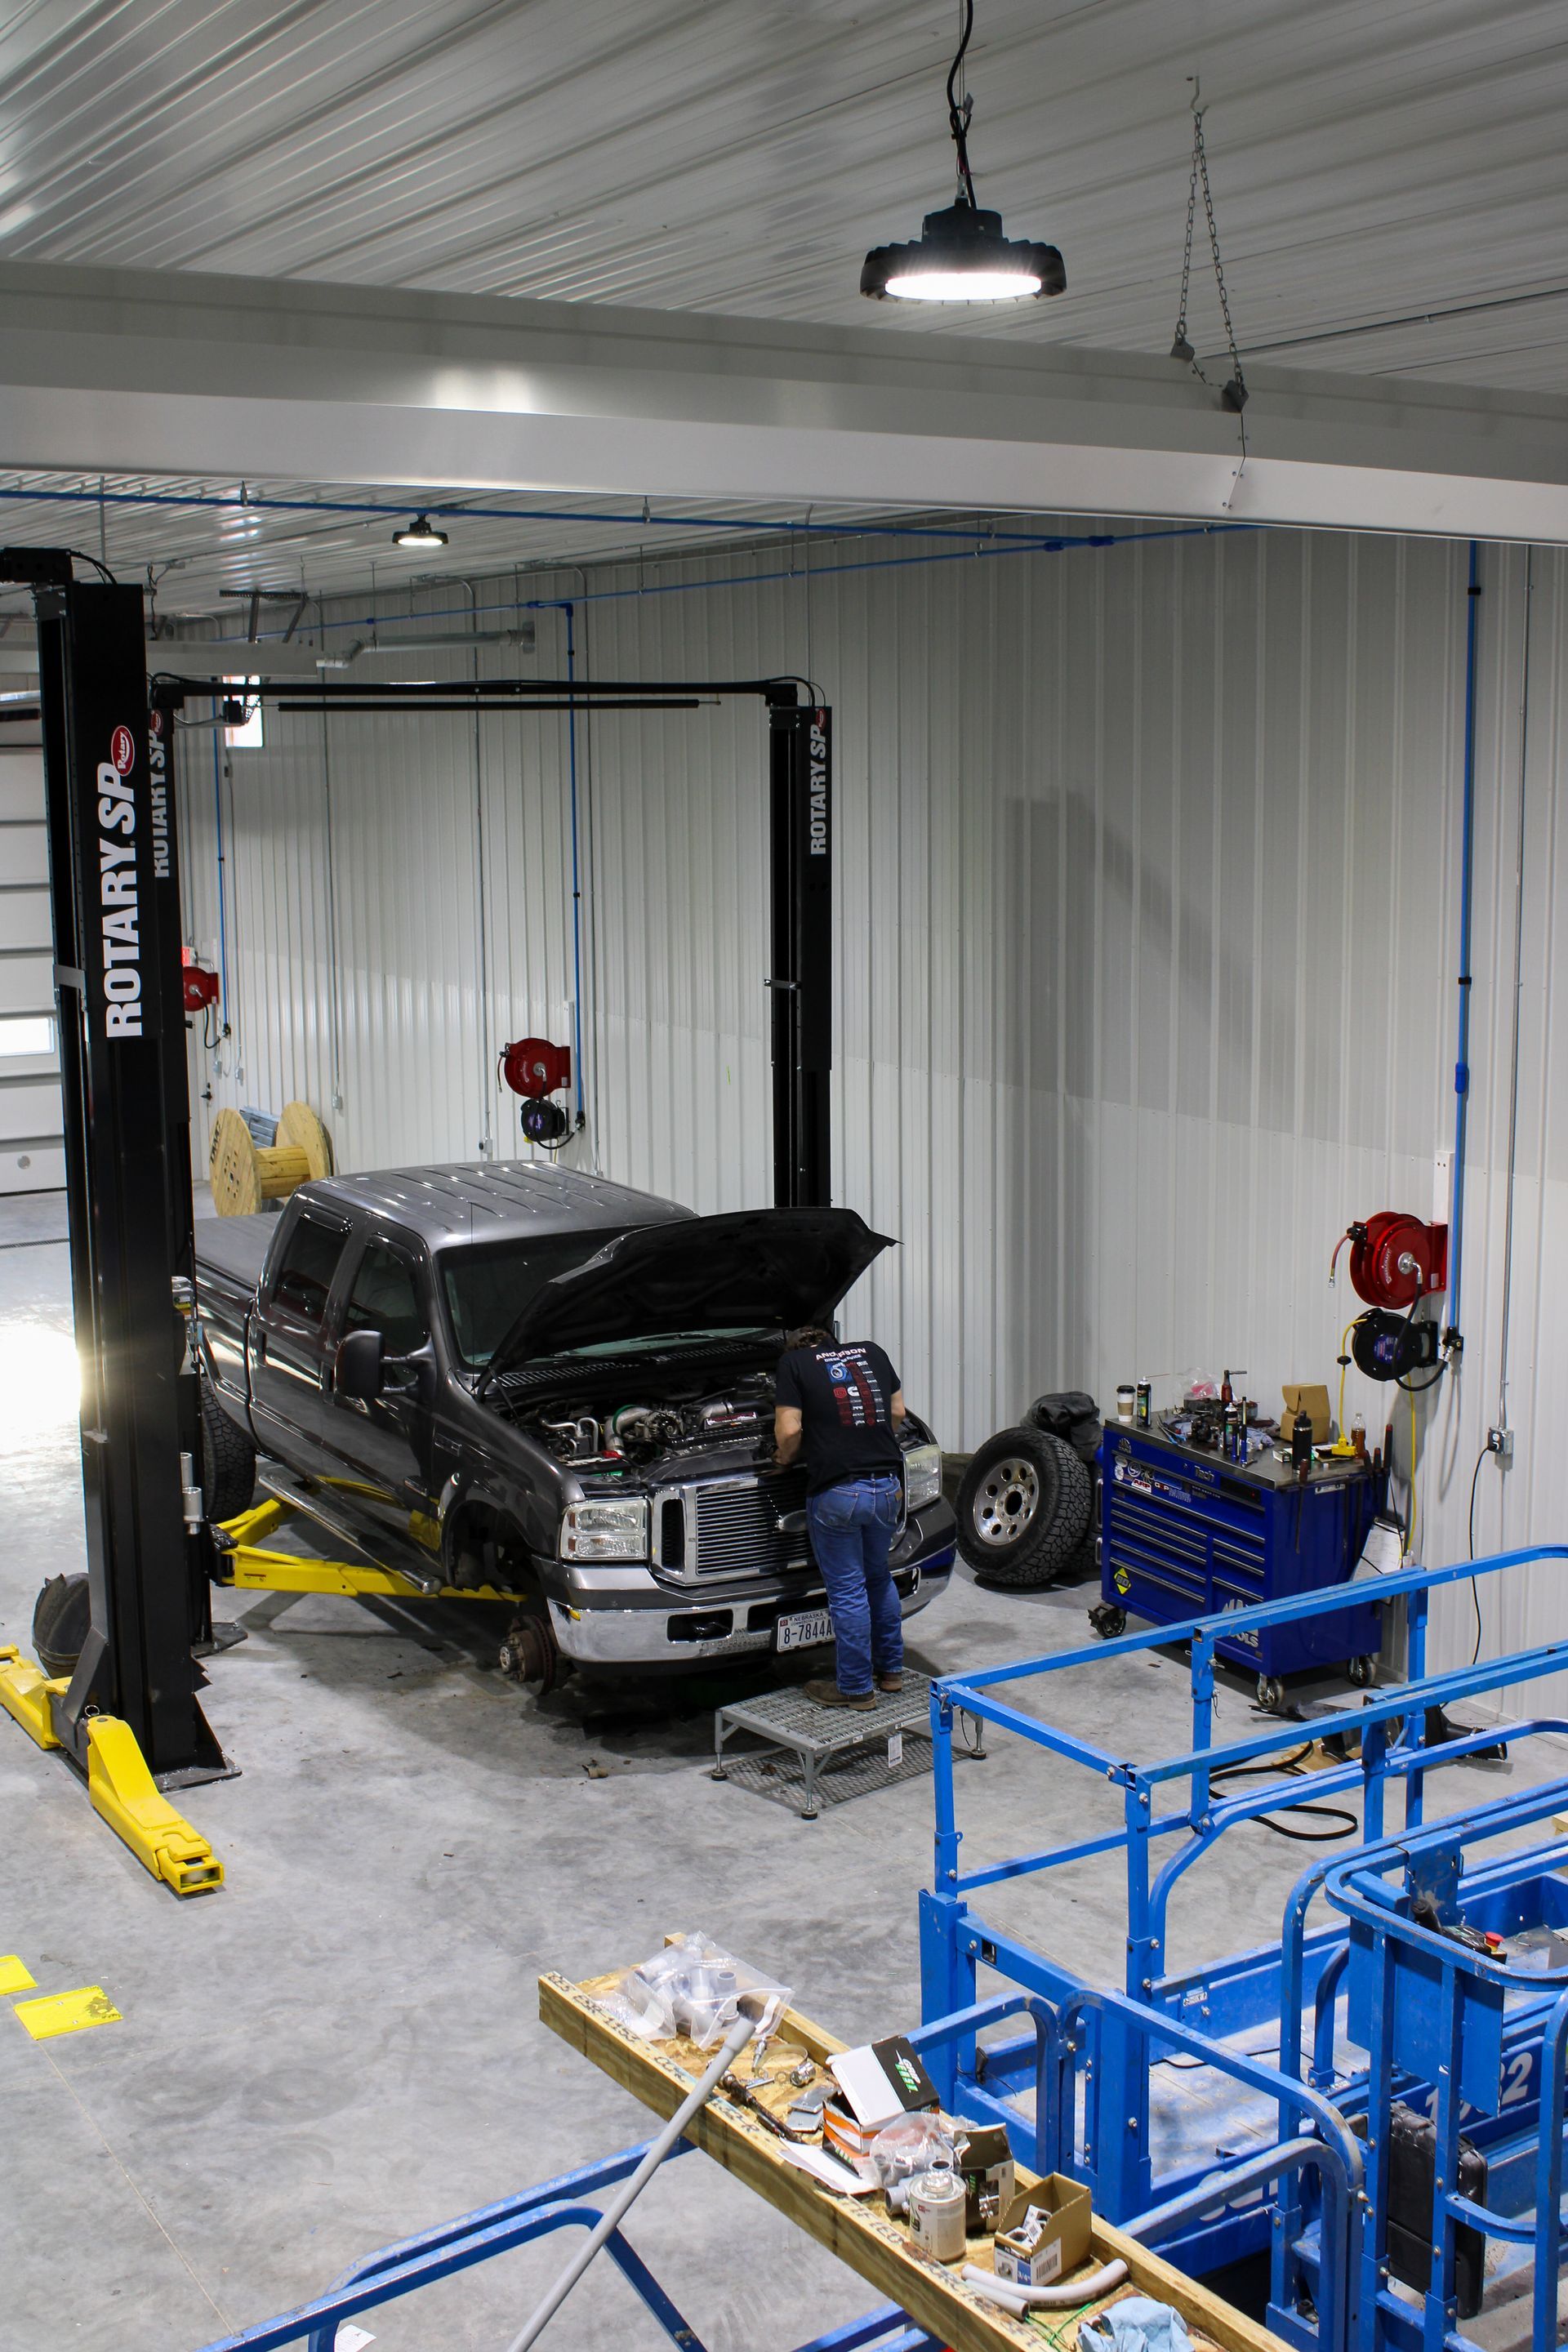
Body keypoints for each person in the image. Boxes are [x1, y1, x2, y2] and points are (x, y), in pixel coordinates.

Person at [773, 1324, 906, 1709]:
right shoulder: (872, 1351)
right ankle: (892, 1671)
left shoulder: (794, 1364)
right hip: (886, 1487)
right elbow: (896, 1411)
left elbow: (789, 1431)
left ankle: (855, 1687)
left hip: (839, 1492)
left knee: (848, 1591)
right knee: (879, 1577)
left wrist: (785, 1458)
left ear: (794, 1349)